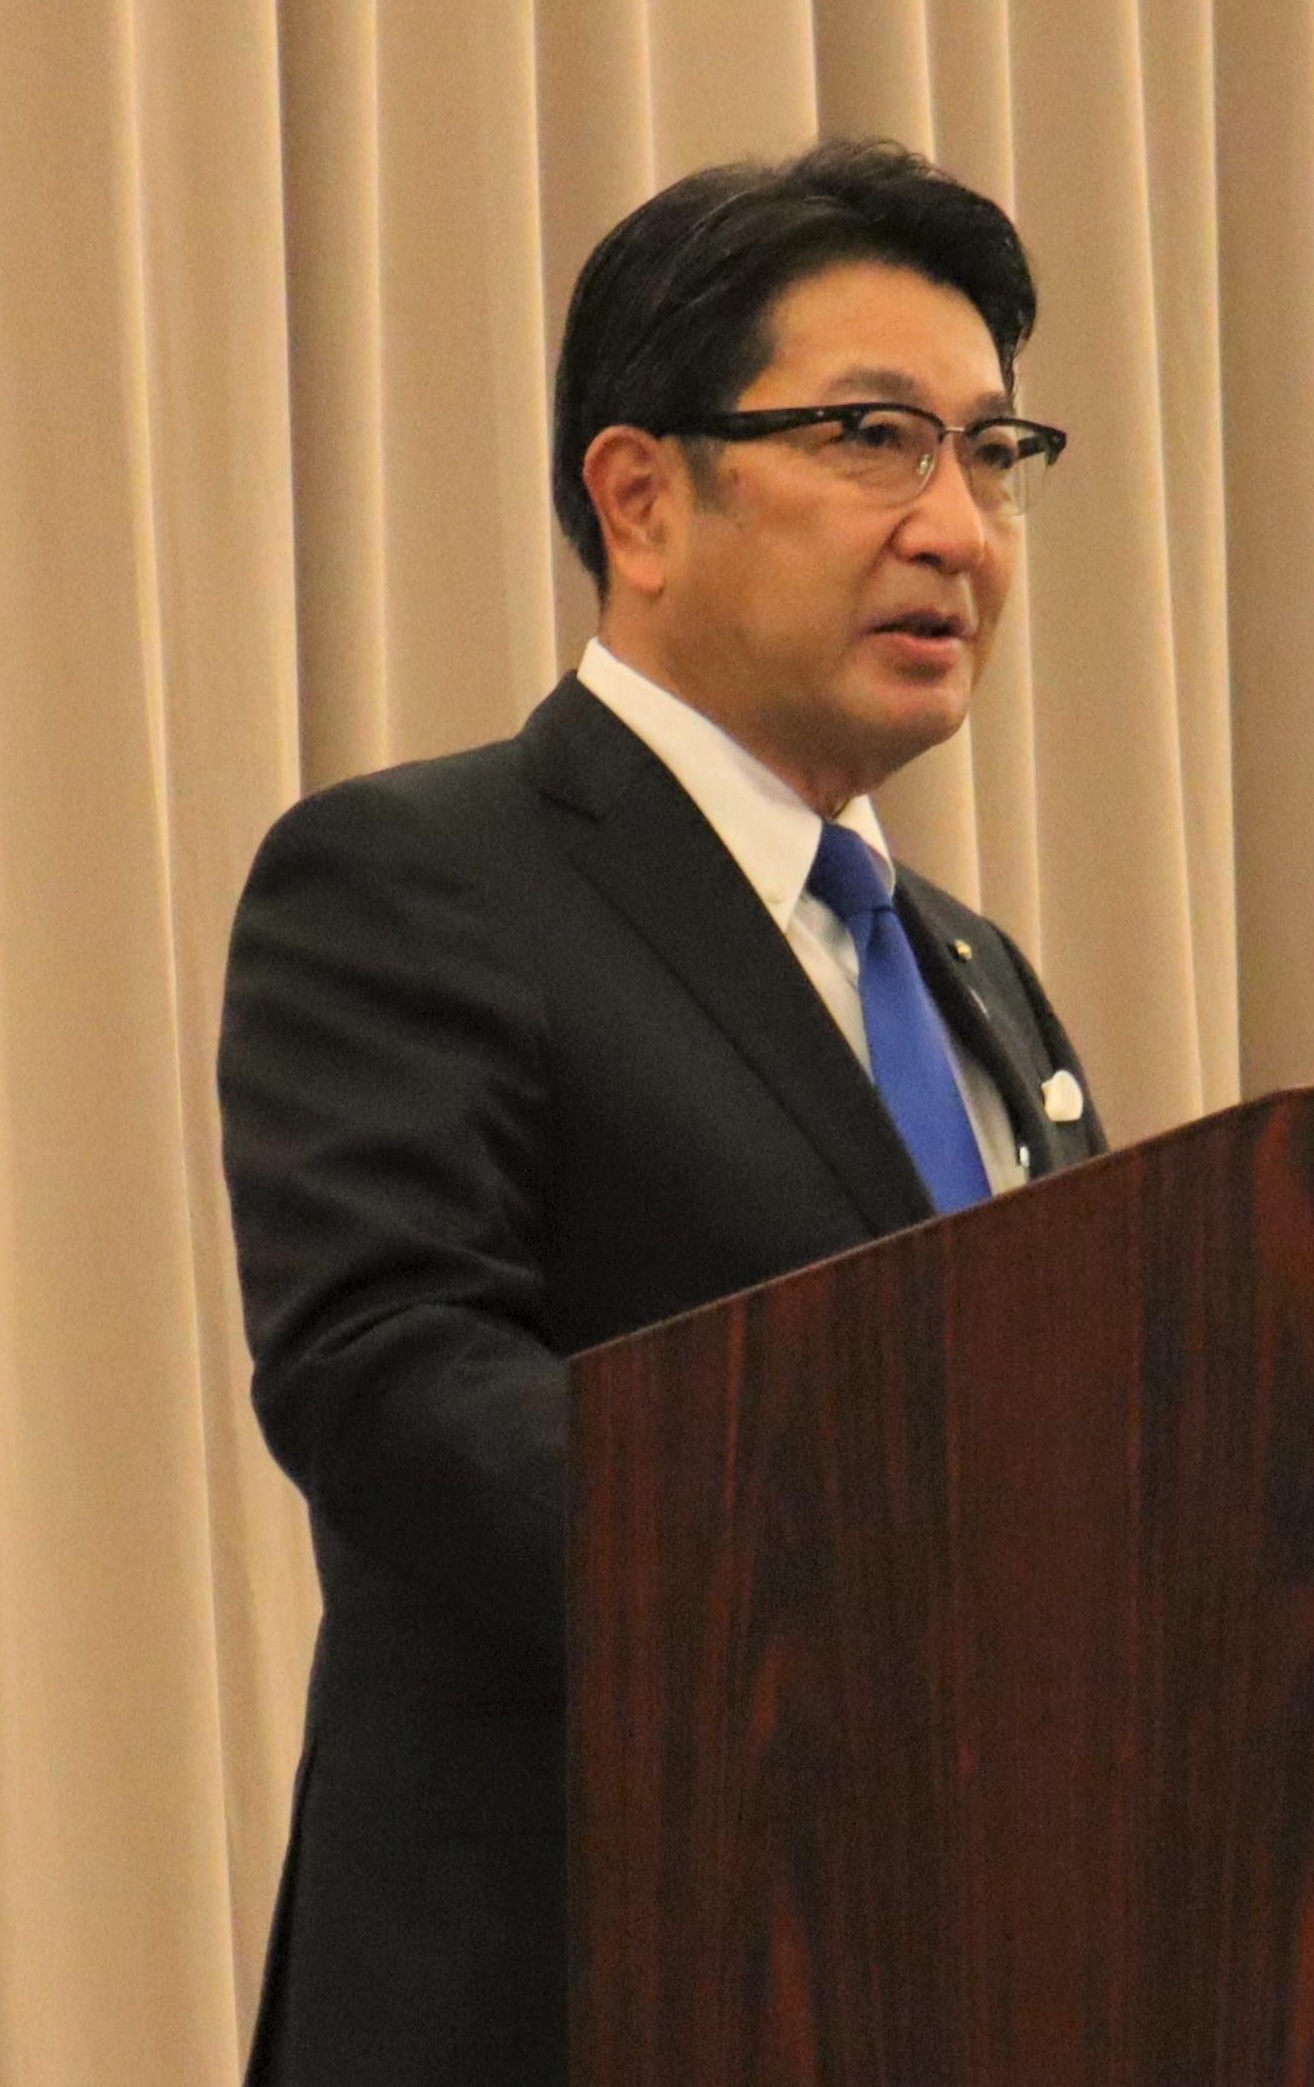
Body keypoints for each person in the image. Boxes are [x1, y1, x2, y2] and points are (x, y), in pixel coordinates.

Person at [216, 136, 1111, 2087]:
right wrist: (895, 1589)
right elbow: (391, 1378)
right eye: (873, 437)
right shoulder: (420, 875)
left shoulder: (978, 977)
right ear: (641, 496)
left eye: (991, 453)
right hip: (578, 1989)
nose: (957, 527)